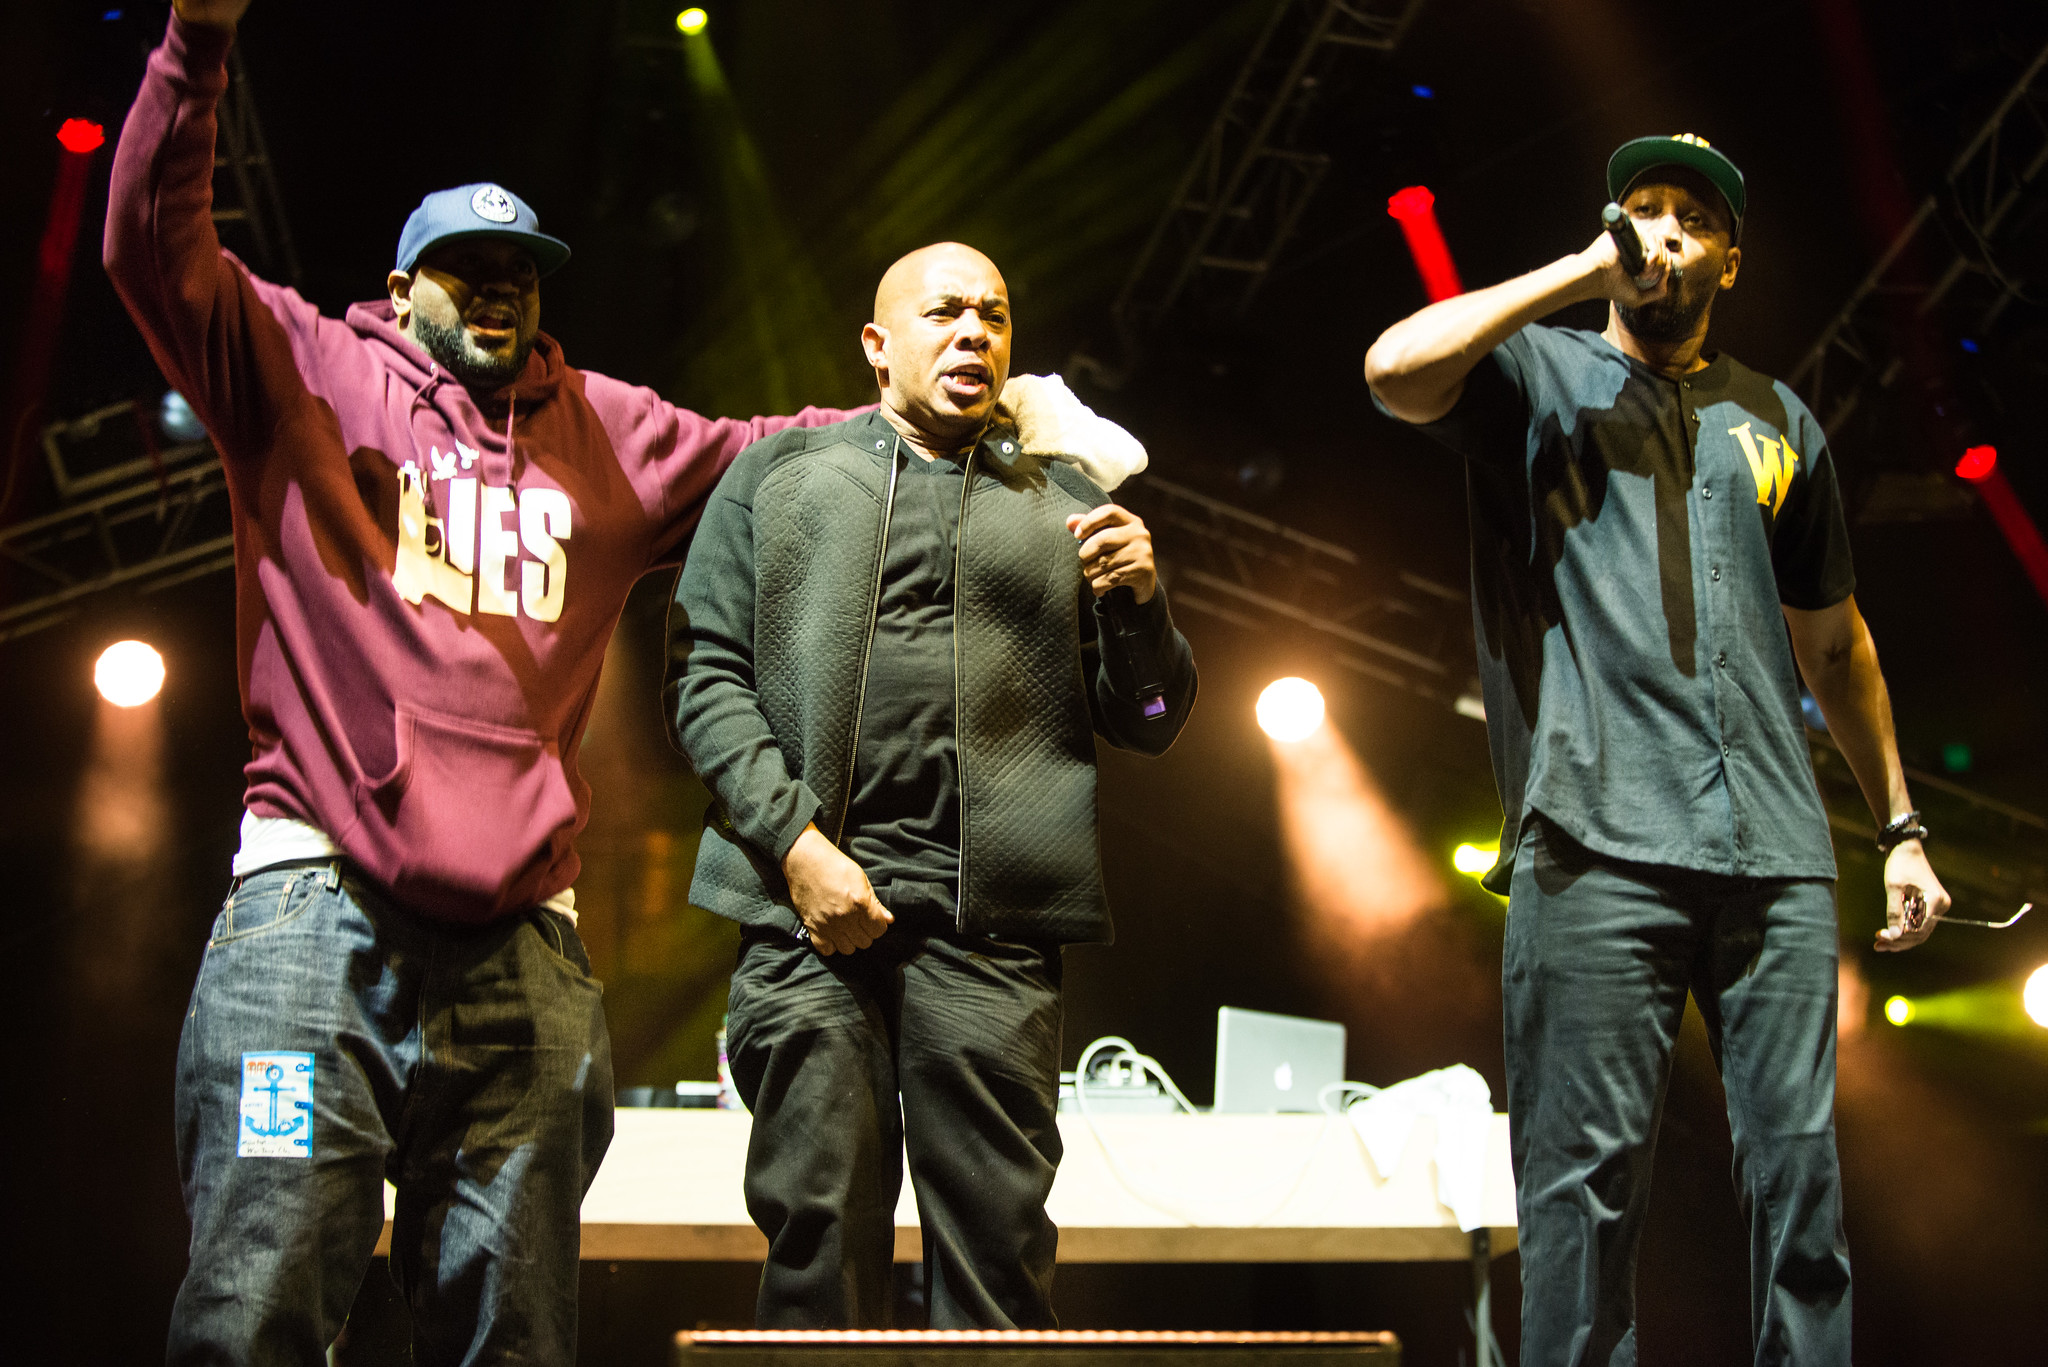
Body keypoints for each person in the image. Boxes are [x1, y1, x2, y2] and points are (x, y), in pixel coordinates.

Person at [108, 5, 1115, 1362]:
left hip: (521, 954)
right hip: (312, 927)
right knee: (261, 1292)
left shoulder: (605, 430)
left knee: (518, 1329)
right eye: (464, 270)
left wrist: (999, 411)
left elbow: (783, 457)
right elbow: (152, 248)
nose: (498, 289)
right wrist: (196, 39)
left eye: (520, 272)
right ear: (399, 288)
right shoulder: (302, 371)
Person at [1363, 134, 1950, 1364]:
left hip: (1773, 851)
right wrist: (1580, 271)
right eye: (1643, 208)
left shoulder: (1777, 418)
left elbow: (1834, 644)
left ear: (1729, 259)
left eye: (1693, 217)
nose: (1665, 231)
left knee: (1799, 1182)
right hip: (1594, 839)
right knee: (1578, 1189)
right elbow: (1392, 372)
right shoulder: (1537, 372)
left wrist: (1898, 825)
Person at [663, 242, 1197, 1329]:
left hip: (990, 939)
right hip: (808, 922)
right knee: (817, 1249)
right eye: (945, 311)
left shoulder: (1065, 499)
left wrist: (1141, 607)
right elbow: (701, 677)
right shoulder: (778, 477)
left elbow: (1150, 722)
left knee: (998, 1265)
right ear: (877, 344)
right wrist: (797, 848)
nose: (974, 334)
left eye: (993, 316)